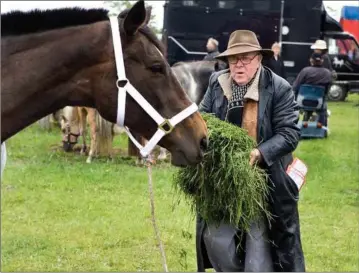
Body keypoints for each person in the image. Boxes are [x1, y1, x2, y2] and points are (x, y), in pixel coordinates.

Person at [197, 29, 305, 272]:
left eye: (246, 58)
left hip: (264, 181)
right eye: (234, 59)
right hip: (224, 178)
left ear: (259, 59)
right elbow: (203, 118)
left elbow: (289, 133)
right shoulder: (217, 82)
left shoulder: (279, 87)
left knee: (258, 257)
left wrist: (258, 153)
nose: (239, 65)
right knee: (216, 241)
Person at [292, 52, 332, 125]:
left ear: (311, 60)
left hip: (302, 101)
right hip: (318, 102)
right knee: (323, 105)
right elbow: (327, 89)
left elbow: (295, 86)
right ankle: (322, 126)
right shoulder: (327, 73)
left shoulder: (305, 71)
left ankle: (294, 125)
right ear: (322, 60)